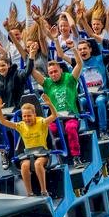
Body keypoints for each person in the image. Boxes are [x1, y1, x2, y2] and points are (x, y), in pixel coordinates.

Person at [53, 26, 109, 139]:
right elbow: (61, 55)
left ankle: (103, 131)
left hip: (102, 93)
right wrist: (55, 39)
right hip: (85, 95)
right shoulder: (78, 63)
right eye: (80, 49)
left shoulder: (100, 58)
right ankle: (86, 131)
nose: (82, 51)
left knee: (100, 101)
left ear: (90, 50)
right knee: (81, 102)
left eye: (85, 49)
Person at [31, 26, 85, 167]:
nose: (53, 74)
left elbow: (79, 64)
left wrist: (74, 49)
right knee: (48, 130)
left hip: (71, 116)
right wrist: (31, 55)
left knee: (70, 129)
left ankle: (76, 157)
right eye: (51, 72)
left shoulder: (69, 79)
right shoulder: (47, 83)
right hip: (55, 118)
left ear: (60, 70)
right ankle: (53, 159)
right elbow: (32, 72)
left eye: (55, 71)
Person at [0, 94, 57, 197]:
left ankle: (44, 191)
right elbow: (2, 121)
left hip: (42, 152)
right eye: (24, 116)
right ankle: (29, 193)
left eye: (29, 116)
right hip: (28, 153)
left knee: (38, 164)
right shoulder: (21, 125)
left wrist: (50, 104)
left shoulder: (41, 122)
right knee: (24, 166)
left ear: (34, 115)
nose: (27, 118)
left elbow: (54, 116)